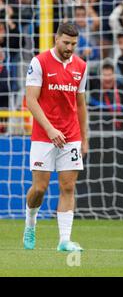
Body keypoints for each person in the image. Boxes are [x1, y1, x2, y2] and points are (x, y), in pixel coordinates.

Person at [23, 23, 88, 252]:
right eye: (66, 43)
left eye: (73, 44)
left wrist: (84, 138)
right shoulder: (39, 62)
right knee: (39, 189)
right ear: (56, 38)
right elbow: (31, 100)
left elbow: (80, 104)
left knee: (68, 186)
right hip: (44, 135)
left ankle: (64, 241)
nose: (70, 48)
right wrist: (50, 129)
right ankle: (30, 222)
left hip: (70, 135)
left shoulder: (81, 66)